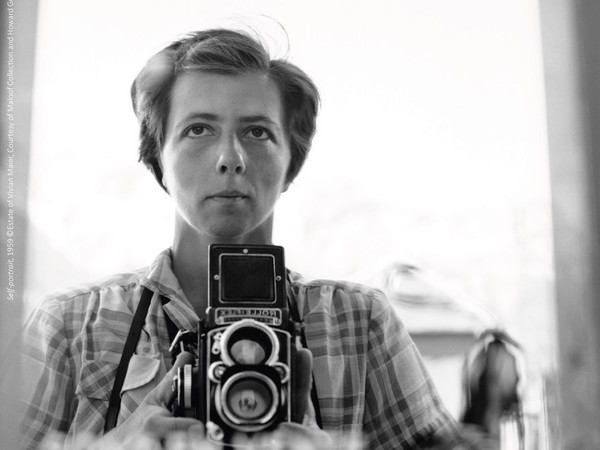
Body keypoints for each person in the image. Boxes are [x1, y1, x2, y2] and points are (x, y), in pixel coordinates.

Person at [6, 28, 466, 449]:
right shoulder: (69, 329)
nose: (230, 157)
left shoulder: (360, 326)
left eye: (257, 132)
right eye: (198, 129)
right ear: (157, 158)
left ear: (293, 163)